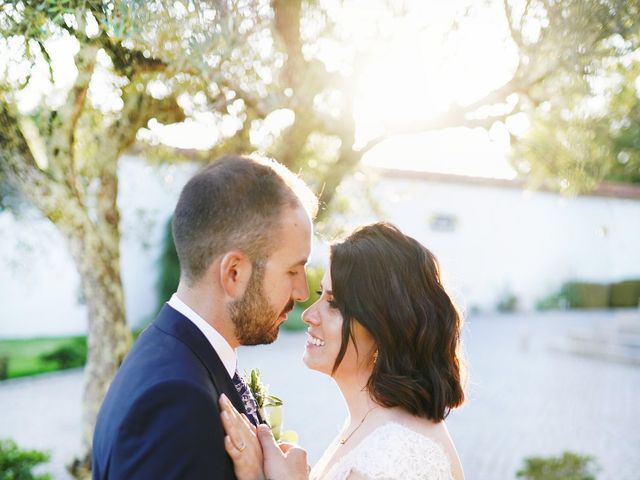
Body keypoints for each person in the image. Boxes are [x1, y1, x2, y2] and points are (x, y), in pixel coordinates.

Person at [92, 154, 317, 479]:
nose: (301, 293)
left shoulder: (180, 354)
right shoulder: (175, 407)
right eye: (293, 270)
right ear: (234, 273)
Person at [220, 222, 466, 480]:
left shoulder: (395, 454)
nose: (308, 315)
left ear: (386, 326)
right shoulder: (373, 424)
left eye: (334, 303)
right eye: (320, 294)